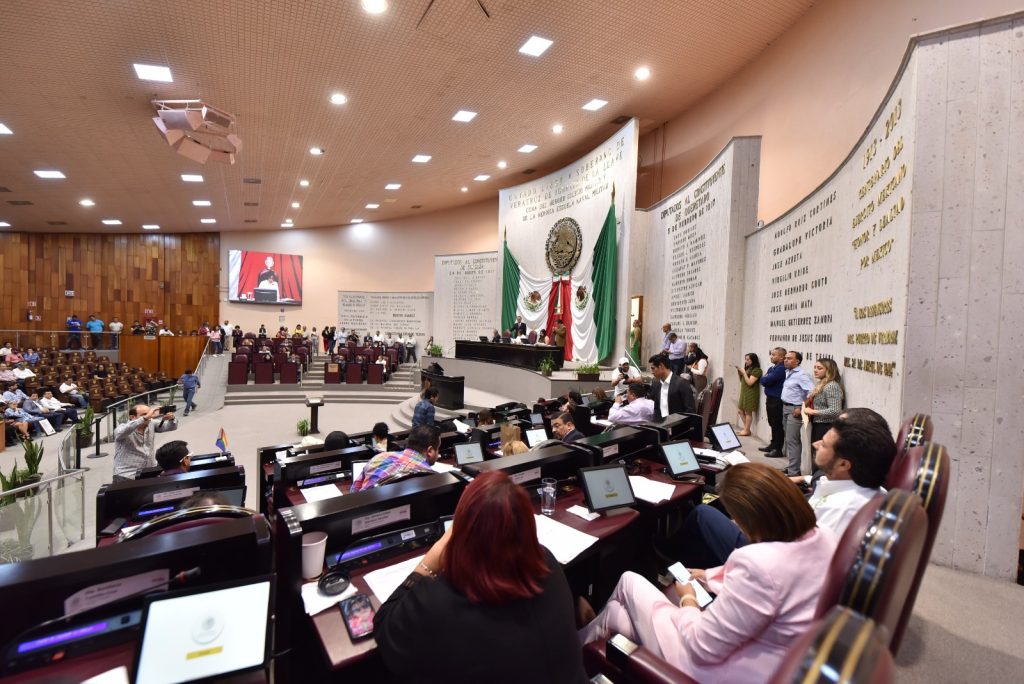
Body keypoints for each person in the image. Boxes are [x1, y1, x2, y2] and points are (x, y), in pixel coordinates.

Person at [580, 463, 836, 682]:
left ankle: (575, 647)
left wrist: (688, 598)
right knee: (617, 614)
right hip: (777, 657)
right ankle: (583, 644)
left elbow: (701, 646)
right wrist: (707, 576)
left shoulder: (758, 564)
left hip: (720, 669)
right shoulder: (824, 535)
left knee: (628, 581)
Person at [375, 471, 587, 684]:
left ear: (462, 534)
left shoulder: (440, 601)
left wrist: (431, 559)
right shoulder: (547, 562)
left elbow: (387, 631)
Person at [674, 408, 895, 569]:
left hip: (768, 559)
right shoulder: (865, 490)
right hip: (778, 545)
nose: (816, 444)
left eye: (824, 445)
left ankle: (675, 566)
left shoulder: (841, 511)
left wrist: (754, 528)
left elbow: (798, 562)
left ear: (844, 464)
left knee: (702, 513)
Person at [352, 425, 440, 491]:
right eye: (438, 449)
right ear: (430, 451)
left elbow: (354, 490)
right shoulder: (431, 478)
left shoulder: (379, 457)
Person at [112, 404, 170, 480]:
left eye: (149, 413)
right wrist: (145, 418)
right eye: (144, 414)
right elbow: (120, 432)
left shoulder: (151, 423)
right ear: (132, 417)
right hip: (127, 475)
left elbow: (171, 426)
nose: (149, 416)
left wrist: (171, 419)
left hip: (149, 471)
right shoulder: (122, 428)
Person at [782, 350, 816, 476]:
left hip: (795, 410)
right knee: (788, 439)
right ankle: (792, 466)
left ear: (797, 361)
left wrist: (802, 407)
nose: (786, 360)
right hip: (786, 407)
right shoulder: (788, 372)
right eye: (785, 358)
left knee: (793, 440)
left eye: (789, 358)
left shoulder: (802, 375)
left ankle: (794, 473)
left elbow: (812, 392)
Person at [802, 357, 845, 447]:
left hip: (826, 426)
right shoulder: (822, 383)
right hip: (818, 424)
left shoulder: (831, 386)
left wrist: (812, 411)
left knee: (820, 452)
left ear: (829, 370)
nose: (815, 370)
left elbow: (835, 411)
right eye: (815, 367)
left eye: (819, 368)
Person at [648, 353, 696, 420]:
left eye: (653, 368)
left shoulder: (682, 383)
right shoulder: (656, 383)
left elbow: (690, 411)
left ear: (661, 366)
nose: (652, 372)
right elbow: (656, 407)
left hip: (678, 424)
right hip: (660, 424)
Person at [758, 347, 786, 458]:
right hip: (770, 399)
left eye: (774, 355)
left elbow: (766, 380)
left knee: (776, 424)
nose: (771, 356)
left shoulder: (781, 369)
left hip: (777, 400)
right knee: (772, 423)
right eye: (771, 354)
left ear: (781, 357)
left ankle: (777, 449)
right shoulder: (772, 368)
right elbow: (763, 381)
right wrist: (765, 378)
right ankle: (773, 444)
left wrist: (765, 378)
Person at [735, 353, 763, 436]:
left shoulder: (757, 370)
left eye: (748, 359)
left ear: (753, 360)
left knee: (748, 412)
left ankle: (746, 430)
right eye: (745, 359)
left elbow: (750, 382)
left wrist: (744, 373)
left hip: (751, 393)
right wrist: (739, 373)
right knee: (740, 411)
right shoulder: (748, 369)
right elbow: (742, 381)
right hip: (744, 392)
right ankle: (747, 429)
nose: (746, 361)